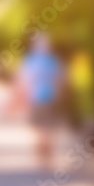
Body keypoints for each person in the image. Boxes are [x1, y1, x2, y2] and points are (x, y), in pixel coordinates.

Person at [14, 35, 66, 168]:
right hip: (51, 97)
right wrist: (59, 94)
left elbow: (24, 81)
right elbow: (60, 80)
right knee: (49, 127)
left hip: (35, 98)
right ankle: (47, 154)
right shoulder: (53, 62)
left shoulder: (31, 61)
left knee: (38, 128)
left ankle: (41, 155)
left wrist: (22, 98)